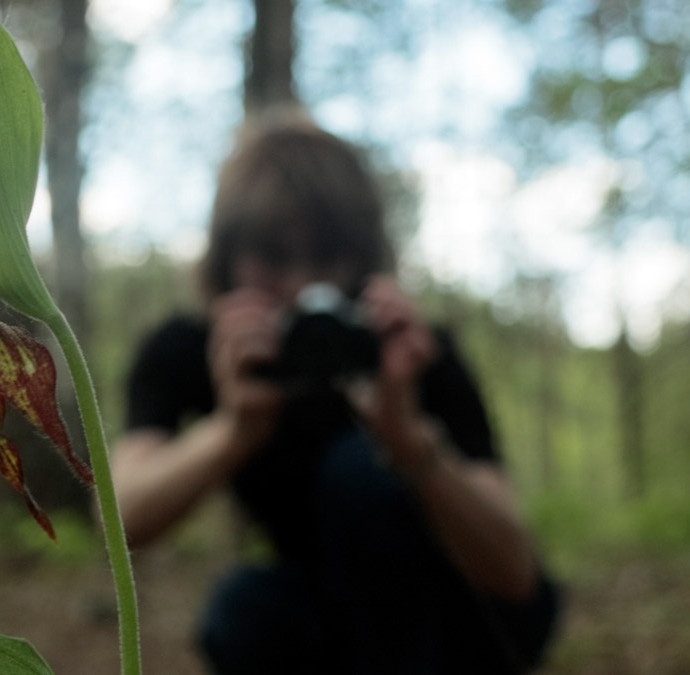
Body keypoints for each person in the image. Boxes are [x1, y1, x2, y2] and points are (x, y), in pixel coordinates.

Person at [111, 112, 560, 674]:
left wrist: (409, 441)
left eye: (326, 258)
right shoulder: (188, 351)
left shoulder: (413, 356)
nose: (301, 285)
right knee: (244, 612)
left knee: (359, 470)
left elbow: (514, 573)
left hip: (464, 617)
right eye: (272, 258)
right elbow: (122, 516)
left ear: (363, 259)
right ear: (226, 259)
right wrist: (234, 428)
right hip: (328, 616)